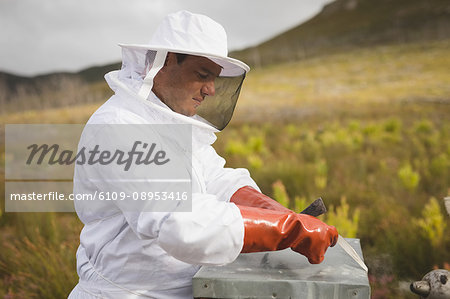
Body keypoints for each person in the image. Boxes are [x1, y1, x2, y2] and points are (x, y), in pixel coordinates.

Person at [68, 10, 338, 299]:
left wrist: (271, 212)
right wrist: (285, 229)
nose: (210, 90)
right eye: (202, 75)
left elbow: (214, 177)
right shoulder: (119, 125)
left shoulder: (169, 121)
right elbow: (175, 220)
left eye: (214, 79)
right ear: (167, 60)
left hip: (188, 288)